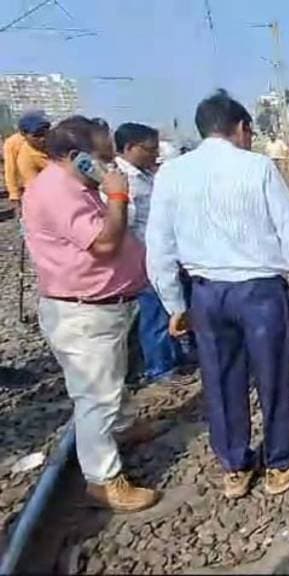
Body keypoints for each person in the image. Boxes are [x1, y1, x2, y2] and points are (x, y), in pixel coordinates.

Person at [147, 90, 289, 499]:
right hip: (259, 293)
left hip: (206, 295)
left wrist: (174, 304)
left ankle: (236, 467)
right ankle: (281, 463)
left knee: (219, 378)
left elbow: (158, 244)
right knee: (275, 376)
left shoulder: (171, 174)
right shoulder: (258, 168)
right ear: (242, 128)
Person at [23, 116, 159, 511]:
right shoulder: (57, 191)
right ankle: (104, 479)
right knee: (95, 397)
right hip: (83, 313)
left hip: (102, 307)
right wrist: (117, 197)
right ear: (74, 156)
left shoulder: (79, 185)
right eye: (102, 158)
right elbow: (103, 245)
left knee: (111, 381)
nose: (111, 165)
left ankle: (119, 429)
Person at [114, 122, 193, 383]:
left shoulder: (144, 175)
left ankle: (176, 357)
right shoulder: (123, 181)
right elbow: (125, 227)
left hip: (162, 254)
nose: (153, 155)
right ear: (129, 148)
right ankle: (161, 368)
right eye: (149, 149)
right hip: (146, 259)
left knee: (172, 308)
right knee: (156, 315)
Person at [3, 111, 50, 208]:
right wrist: (14, 195)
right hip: (30, 188)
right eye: (37, 135)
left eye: (45, 133)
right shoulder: (15, 147)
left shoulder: (54, 140)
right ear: (23, 134)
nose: (43, 138)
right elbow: (10, 170)